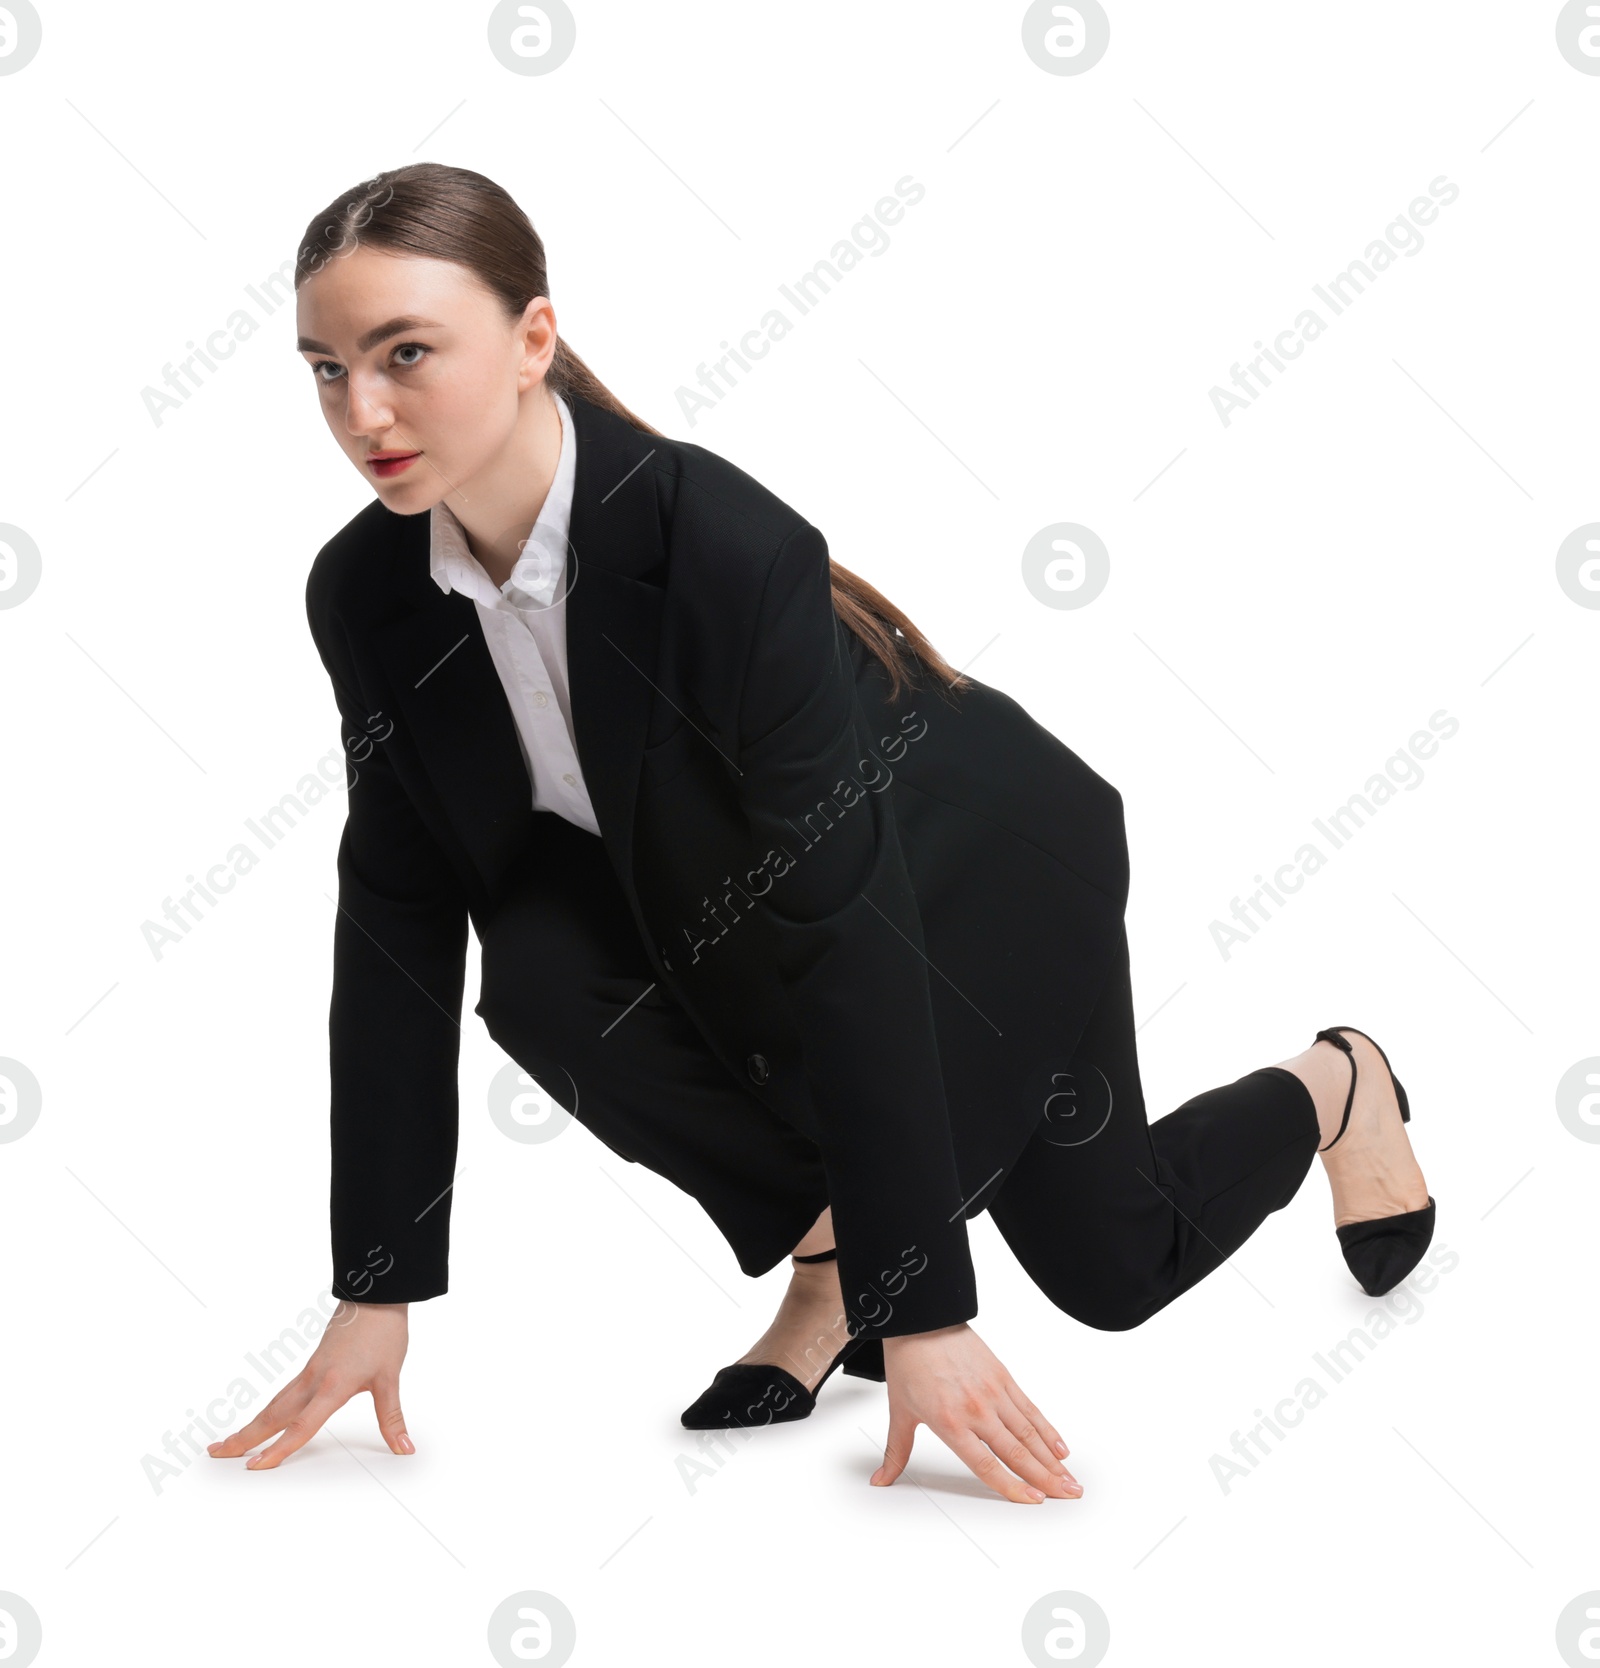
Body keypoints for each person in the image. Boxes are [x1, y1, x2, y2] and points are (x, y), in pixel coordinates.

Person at [206, 163, 1435, 1503]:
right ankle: (828, 1261)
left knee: (1111, 1265)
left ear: (532, 342)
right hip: (713, 899)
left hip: (970, 873)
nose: (362, 412)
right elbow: (395, 911)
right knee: (546, 971)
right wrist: (375, 1288)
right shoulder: (369, 589)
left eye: (405, 355)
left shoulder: (719, 545)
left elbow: (848, 925)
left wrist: (929, 1314)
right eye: (326, 369)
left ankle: (1337, 1085)